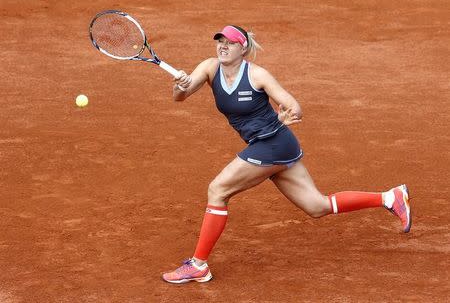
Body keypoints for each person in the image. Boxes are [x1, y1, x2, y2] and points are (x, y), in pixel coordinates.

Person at [161, 25, 411, 284]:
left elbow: (294, 106)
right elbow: (180, 97)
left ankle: (198, 265)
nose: (223, 46)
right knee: (317, 206)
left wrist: (286, 114)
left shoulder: (258, 75)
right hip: (275, 146)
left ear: (243, 48)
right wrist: (180, 85)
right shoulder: (210, 67)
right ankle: (389, 198)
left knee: (218, 190)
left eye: (230, 43)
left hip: (272, 144)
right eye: (220, 41)